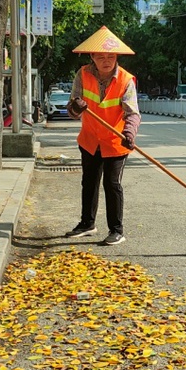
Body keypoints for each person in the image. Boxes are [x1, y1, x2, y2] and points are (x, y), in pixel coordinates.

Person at [63, 26, 140, 246]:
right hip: (89, 140)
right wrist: (77, 107)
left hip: (116, 141)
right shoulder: (83, 74)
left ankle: (117, 230)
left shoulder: (126, 80)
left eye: (111, 56)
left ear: (117, 57)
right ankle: (87, 223)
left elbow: (133, 113)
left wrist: (129, 133)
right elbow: (72, 110)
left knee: (112, 184)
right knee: (89, 182)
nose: (107, 60)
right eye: (101, 56)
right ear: (92, 57)